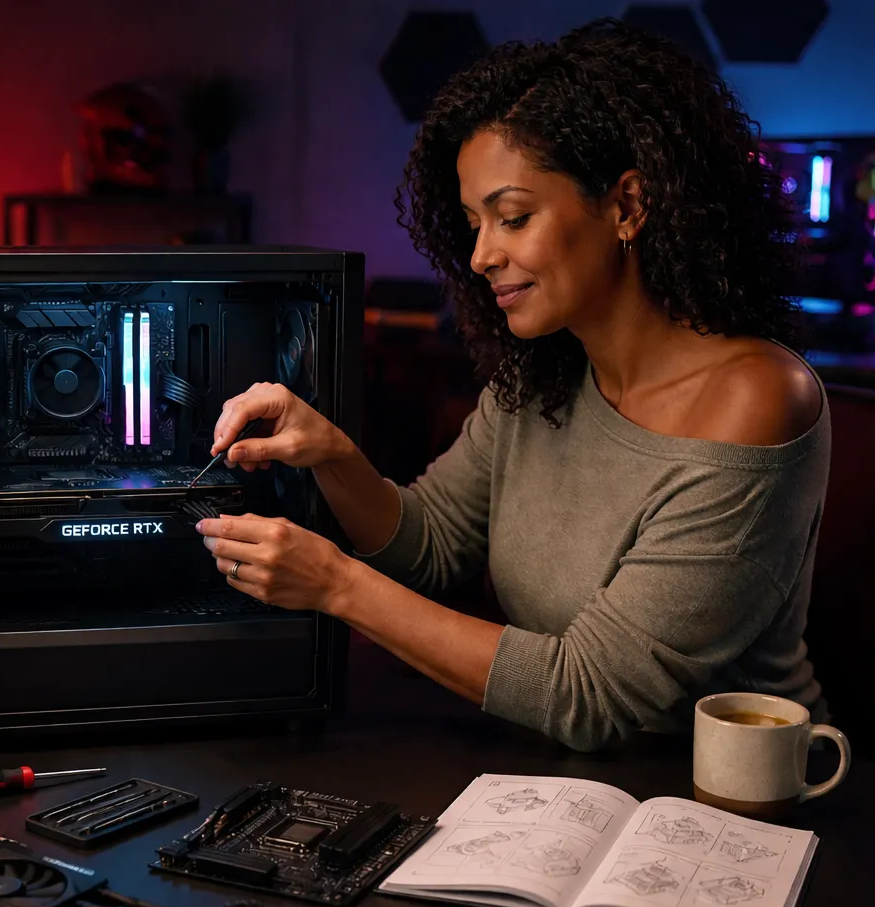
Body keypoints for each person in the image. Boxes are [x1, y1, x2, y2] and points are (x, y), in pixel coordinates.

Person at [195, 18, 829, 752]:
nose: (480, 256)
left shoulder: (756, 398)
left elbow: (593, 695)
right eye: (472, 224)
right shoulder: (544, 378)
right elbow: (428, 547)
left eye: (513, 217)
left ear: (627, 205)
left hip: (729, 804)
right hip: (568, 783)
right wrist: (331, 454)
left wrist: (335, 585)